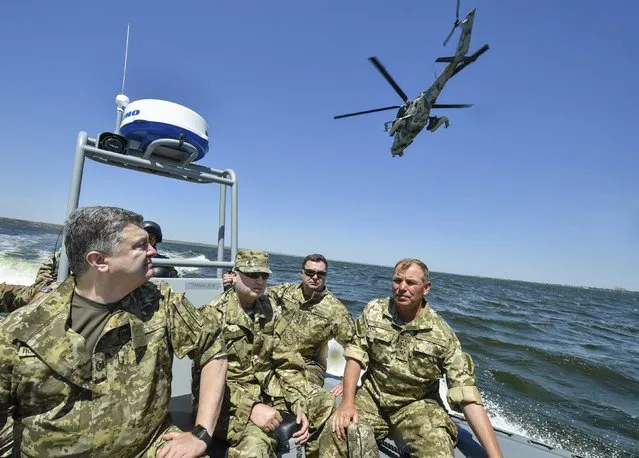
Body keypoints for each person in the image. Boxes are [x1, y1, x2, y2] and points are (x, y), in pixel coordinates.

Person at [0, 206, 228, 457]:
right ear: (99, 260)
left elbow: (212, 347)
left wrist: (201, 434)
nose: (153, 251)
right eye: (140, 245)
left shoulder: (161, 301)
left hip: (151, 447)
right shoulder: (19, 332)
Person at [319, 258, 503, 458]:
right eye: (397, 280)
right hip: (373, 398)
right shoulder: (374, 311)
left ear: (426, 288)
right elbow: (355, 355)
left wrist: (495, 456)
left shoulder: (441, 334)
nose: (402, 288)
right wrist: (347, 403)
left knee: (438, 451)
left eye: (411, 282)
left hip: (417, 406)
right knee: (337, 432)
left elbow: (467, 396)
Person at [192, 249, 334, 457]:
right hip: (227, 402)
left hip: (268, 390)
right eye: (252, 275)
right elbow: (202, 382)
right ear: (235, 274)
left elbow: (286, 361)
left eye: (264, 276)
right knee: (256, 444)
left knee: (324, 402)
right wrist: (251, 407)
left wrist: (298, 400)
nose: (259, 281)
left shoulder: (268, 309)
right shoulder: (212, 316)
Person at [267, 254, 355, 392]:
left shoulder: (335, 310)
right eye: (310, 272)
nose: (315, 277)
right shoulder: (287, 291)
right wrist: (233, 282)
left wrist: (347, 380)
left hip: (308, 366)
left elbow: (354, 345)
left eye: (320, 274)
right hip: (277, 355)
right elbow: (259, 295)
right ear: (301, 273)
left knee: (293, 393)